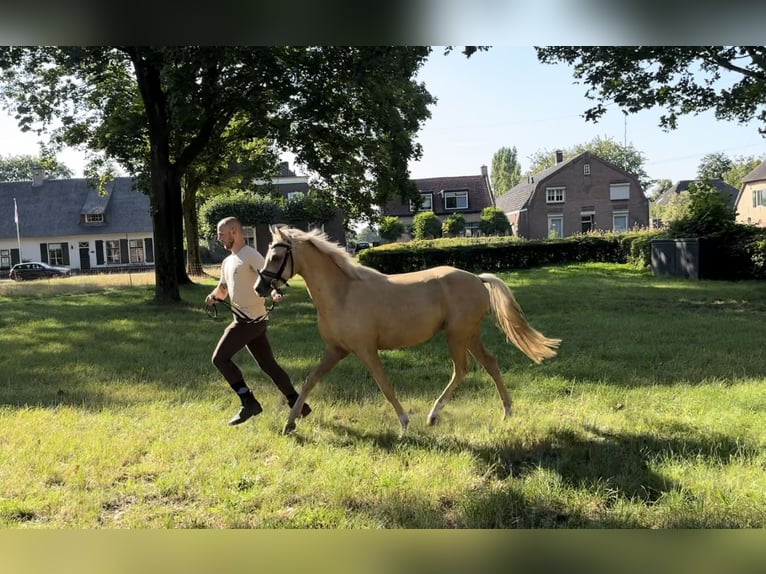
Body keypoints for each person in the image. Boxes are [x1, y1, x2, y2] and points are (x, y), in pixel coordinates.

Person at [206, 216, 311, 425]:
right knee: (268, 365)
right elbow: (223, 289)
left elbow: (269, 278)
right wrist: (213, 296)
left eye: (221, 234)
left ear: (234, 232)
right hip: (249, 320)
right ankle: (298, 404)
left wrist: (274, 293)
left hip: (250, 321)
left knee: (219, 359)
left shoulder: (250, 255)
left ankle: (248, 402)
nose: (219, 239)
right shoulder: (228, 261)